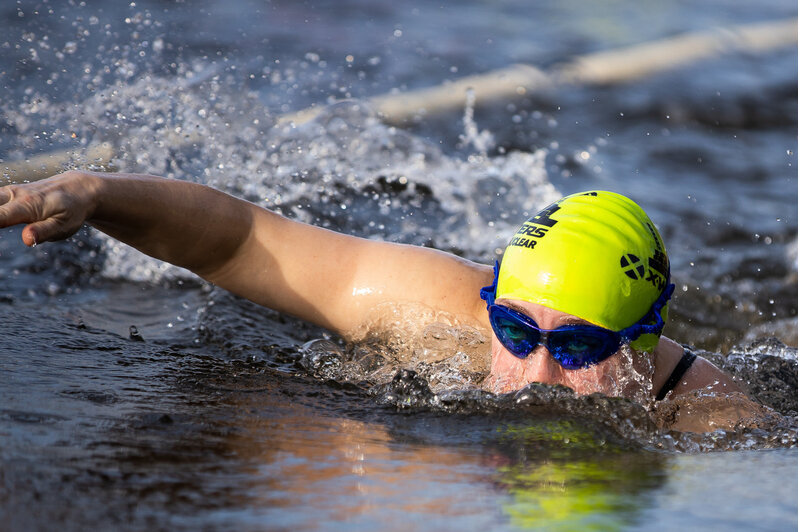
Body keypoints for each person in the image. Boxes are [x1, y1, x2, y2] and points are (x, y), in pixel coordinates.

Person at [0, 170, 744, 410]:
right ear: (492, 308)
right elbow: (245, 243)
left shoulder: (716, 425)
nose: (535, 377)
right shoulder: (437, 312)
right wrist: (94, 193)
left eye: (579, 348)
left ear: (642, 343)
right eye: (517, 333)